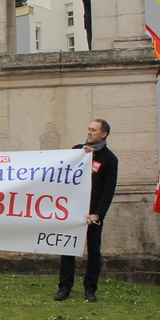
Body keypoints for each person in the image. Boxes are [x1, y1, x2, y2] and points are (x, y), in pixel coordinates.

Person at [54, 119, 118, 302]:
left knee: (94, 250)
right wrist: (82, 153)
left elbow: (108, 190)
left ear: (103, 134)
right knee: (68, 248)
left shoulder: (109, 159)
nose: (89, 133)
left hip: (93, 212)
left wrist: (98, 213)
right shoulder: (78, 150)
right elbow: (64, 166)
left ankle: (90, 289)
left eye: (93, 130)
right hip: (73, 209)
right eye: (88, 129)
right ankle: (64, 287)